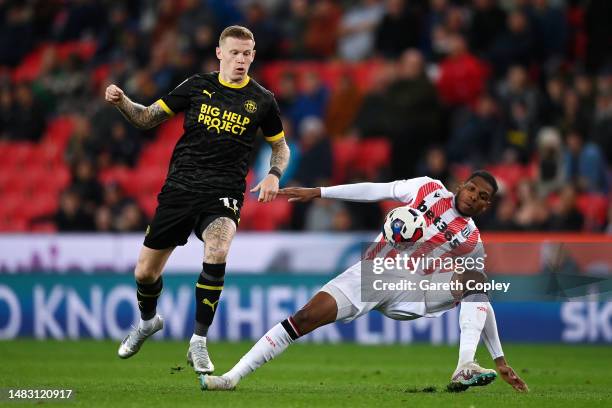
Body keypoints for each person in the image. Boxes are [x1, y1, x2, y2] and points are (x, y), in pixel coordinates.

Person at [200, 171, 528, 393]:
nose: (474, 196)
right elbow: (376, 191)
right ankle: (232, 377)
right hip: (373, 274)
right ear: (461, 185)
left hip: (414, 290)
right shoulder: (427, 188)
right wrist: (319, 192)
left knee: (476, 279)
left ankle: (464, 365)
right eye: (471, 188)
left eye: (482, 196)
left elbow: (481, 300)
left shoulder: (471, 240)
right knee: (303, 318)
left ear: (486, 206)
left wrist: (499, 358)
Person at [104, 25, 290, 374]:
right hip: (180, 189)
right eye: (234, 53)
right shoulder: (196, 86)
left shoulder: (262, 100)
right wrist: (122, 102)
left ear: (253, 56)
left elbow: (280, 147)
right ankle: (147, 322)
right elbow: (146, 118)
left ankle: (198, 341)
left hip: (224, 192)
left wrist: (273, 174)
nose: (241, 60)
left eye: (247, 54)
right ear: (220, 53)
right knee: (145, 273)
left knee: (217, 249)